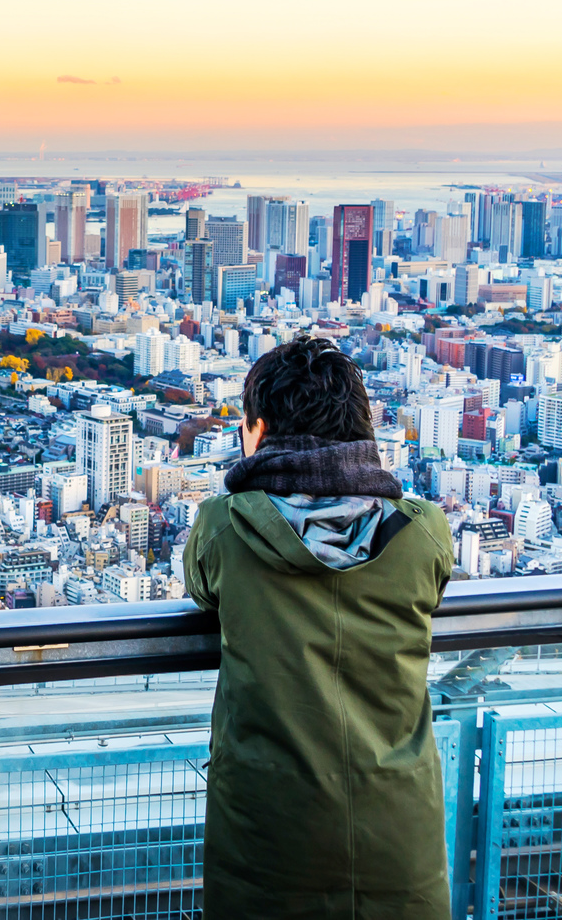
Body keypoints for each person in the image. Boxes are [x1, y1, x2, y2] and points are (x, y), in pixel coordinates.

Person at [183, 335, 453, 919]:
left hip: (269, 832)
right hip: (397, 826)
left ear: (256, 430)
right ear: (364, 433)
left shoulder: (225, 530)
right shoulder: (424, 532)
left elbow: (202, 590)